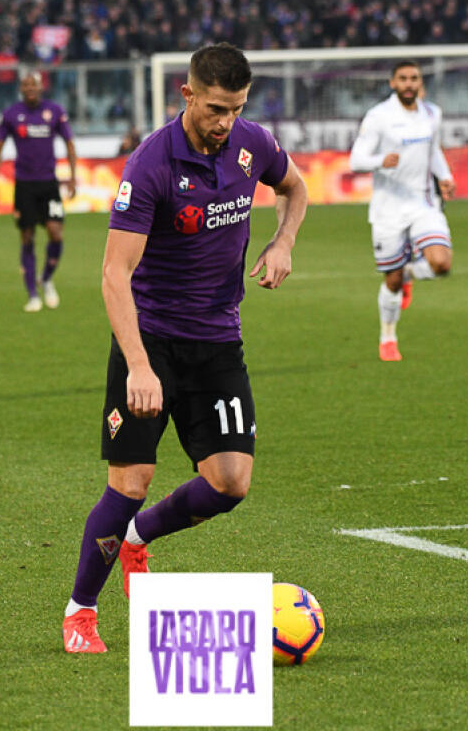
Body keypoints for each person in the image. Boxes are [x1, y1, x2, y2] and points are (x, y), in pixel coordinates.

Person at [62, 43, 308, 654]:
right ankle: (80, 611)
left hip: (218, 339)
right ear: (188, 95)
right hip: (150, 342)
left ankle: (139, 539)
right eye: (216, 108)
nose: (225, 122)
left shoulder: (253, 144)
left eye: (237, 109)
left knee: (230, 483)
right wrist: (139, 366)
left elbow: (295, 189)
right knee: (131, 481)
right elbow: (113, 274)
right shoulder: (149, 164)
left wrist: (282, 243)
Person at [349, 60, 455, 363]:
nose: (409, 83)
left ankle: (410, 271)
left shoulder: (432, 113)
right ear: (393, 83)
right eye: (403, 79)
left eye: (414, 78)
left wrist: (446, 177)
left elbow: (433, 151)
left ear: (420, 83)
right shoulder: (379, 117)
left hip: (423, 204)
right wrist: (381, 160)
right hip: (388, 211)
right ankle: (388, 336)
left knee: (442, 264)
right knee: (391, 280)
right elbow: (356, 160)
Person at [0, 70, 77, 313]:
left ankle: (46, 279)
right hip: (24, 185)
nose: (29, 88)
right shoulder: (11, 114)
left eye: (33, 84)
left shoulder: (55, 112)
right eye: (25, 85)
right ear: (21, 88)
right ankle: (32, 295)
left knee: (56, 233)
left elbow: (69, 143)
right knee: (27, 238)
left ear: (41, 87)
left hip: (49, 184)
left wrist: (72, 176)